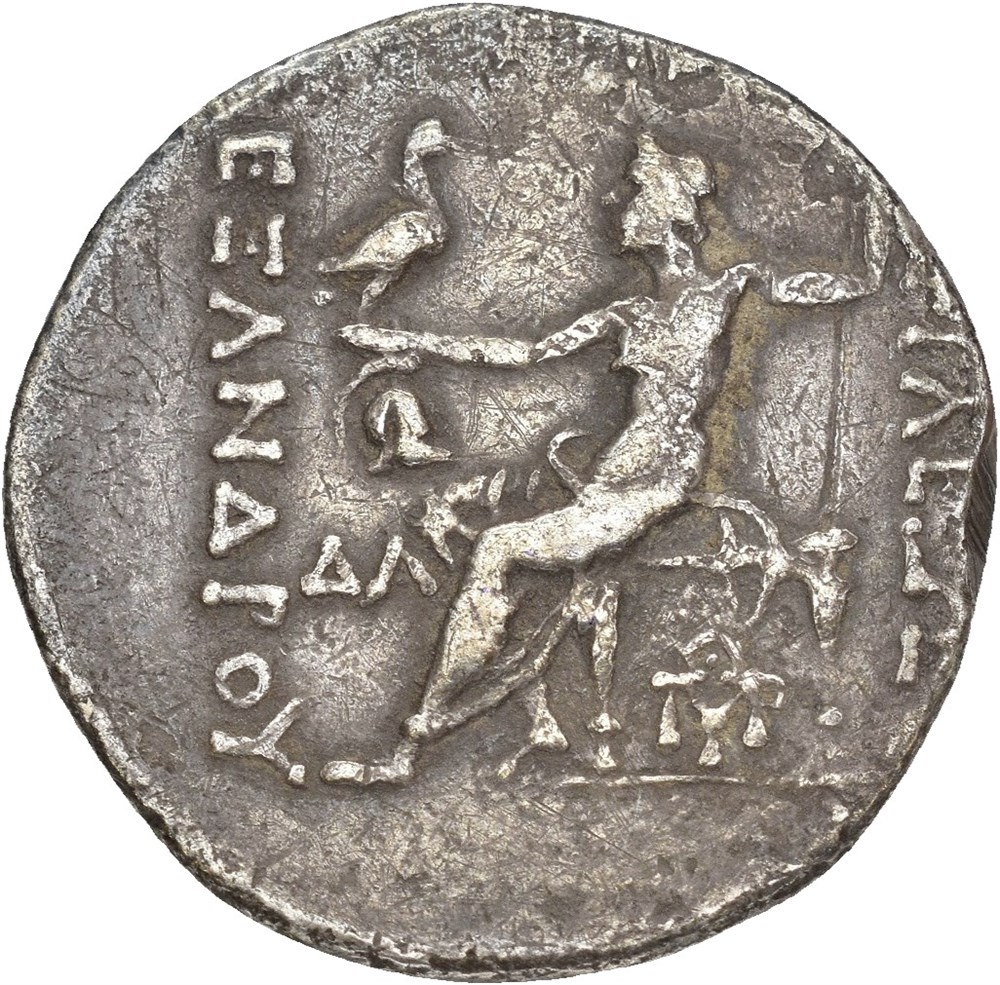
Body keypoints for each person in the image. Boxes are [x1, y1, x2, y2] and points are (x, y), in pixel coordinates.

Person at [322, 133, 889, 784]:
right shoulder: (627, 315)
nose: (621, 204)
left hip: (657, 477)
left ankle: (412, 745)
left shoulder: (728, 288)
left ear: (669, 209)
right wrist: (408, 342)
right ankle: (441, 733)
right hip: (614, 476)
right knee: (520, 579)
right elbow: (526, 353)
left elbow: (818, 287)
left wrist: (875, 264)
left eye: (636, 192)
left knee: (498, 549)